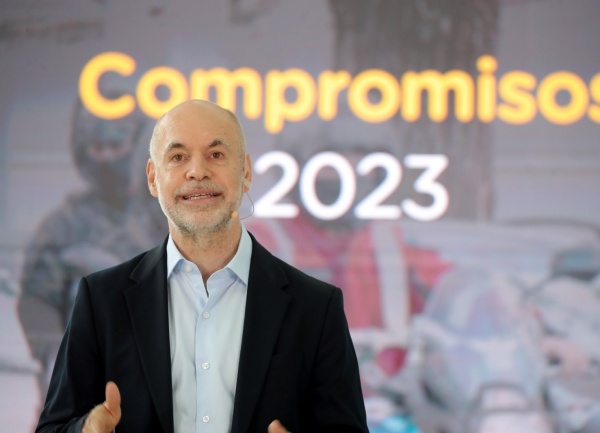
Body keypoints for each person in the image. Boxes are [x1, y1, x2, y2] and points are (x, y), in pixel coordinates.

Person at [36, 99, 368, 433]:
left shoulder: (316, 308)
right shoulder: (101, 301)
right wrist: (85, 431)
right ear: (152, 178)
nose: (197, 171)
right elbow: (54, 427)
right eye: (178, 157)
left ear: (245, 172)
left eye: (216, 154)